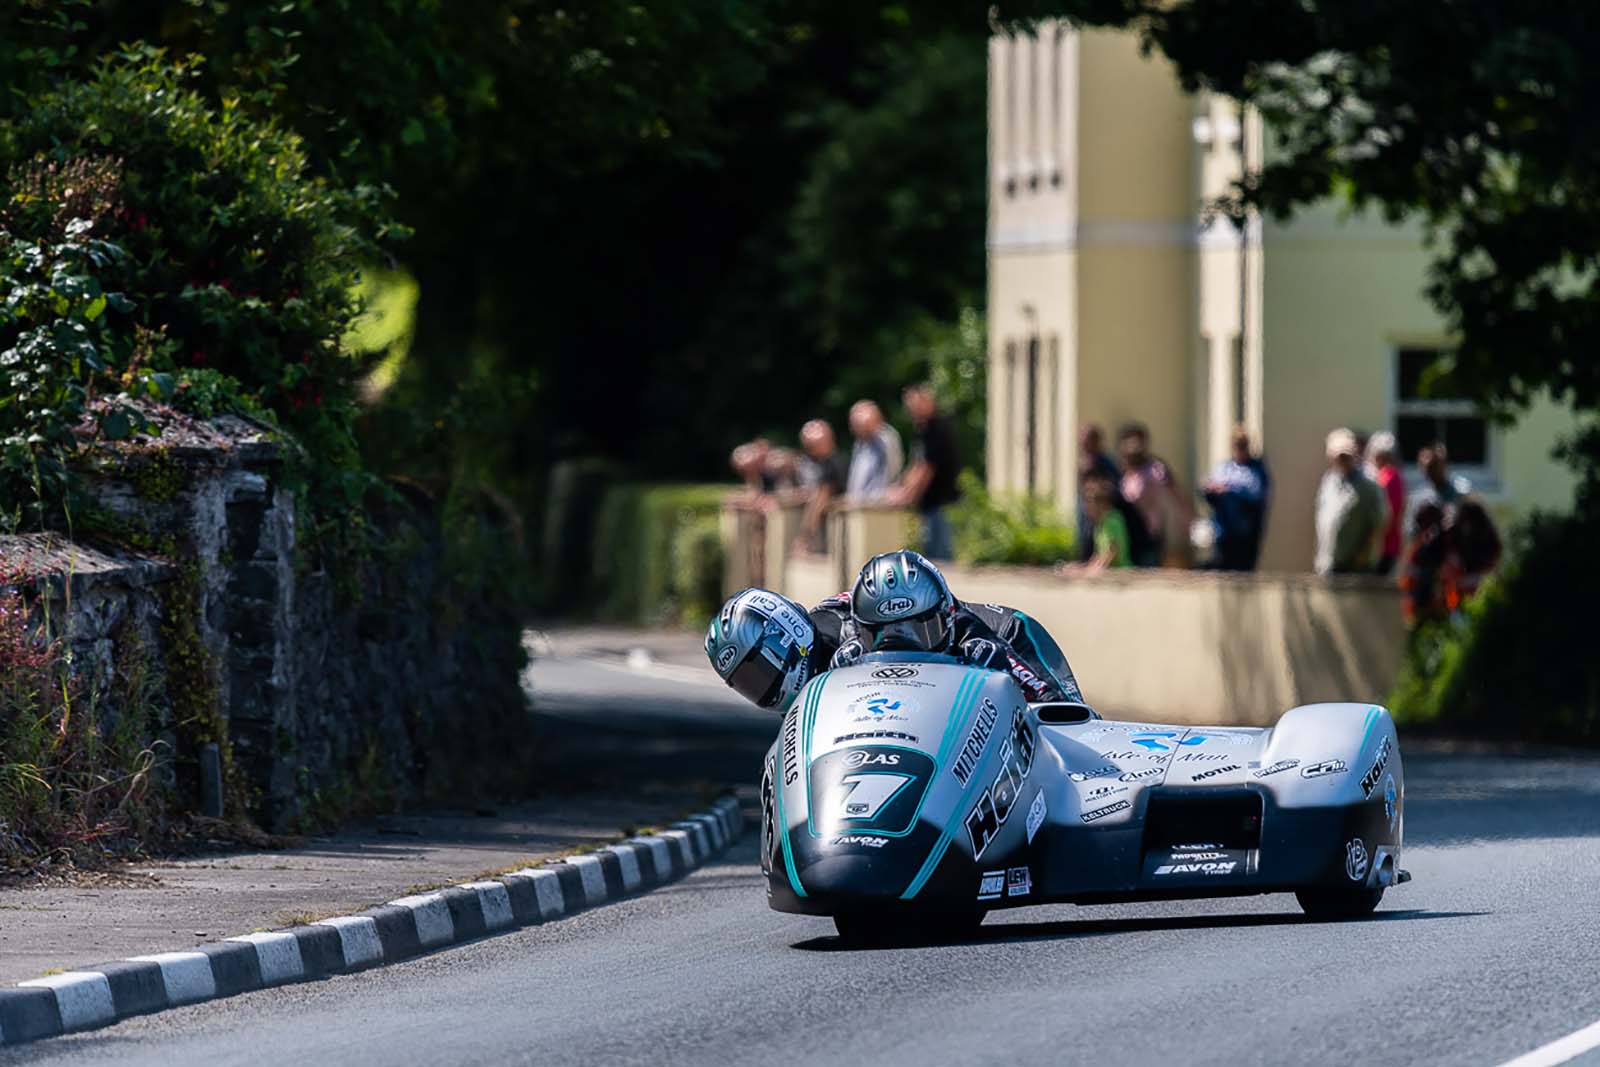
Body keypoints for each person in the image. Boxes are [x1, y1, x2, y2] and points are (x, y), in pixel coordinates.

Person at [705, 550, 1085, 711]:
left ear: (786, 639)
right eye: (747, 683)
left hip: (1005, 635)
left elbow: (937, 614)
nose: (763, 686)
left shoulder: (854, 625)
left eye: (759, 671)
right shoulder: (833, 649)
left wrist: (1040, 695)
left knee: (1063, 717)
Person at [840, 550, 1083, 703]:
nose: (900, 648)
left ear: (949, 616)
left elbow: (1067, 714)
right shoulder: (844, 647)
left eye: (922, 630)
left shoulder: (998, 634)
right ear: (858, 631)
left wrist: (1007, 679)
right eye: (879, 636)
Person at [885, 384, 962, 560]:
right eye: (910, 405)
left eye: (917, 404)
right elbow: (915, 465)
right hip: (929, 505)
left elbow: (926, 469)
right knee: (929, 555)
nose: (913, 409)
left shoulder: (937, 428)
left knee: (939, 558)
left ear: (929, 402)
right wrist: (900, 487)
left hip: (942, 503)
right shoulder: (922, 430)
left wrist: (907, 496)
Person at [1117, 422, 1193, 566]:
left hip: (1150, 531)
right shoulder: (1123, 471)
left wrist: (1187, 519)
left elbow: (1175, 492)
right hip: (1127, 531)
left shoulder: (1155, 468)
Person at [1314, 427, 1385, 575]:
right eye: (1338, 455)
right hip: (1328, 563)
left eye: (1346, 455)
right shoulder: (1329, 480)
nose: (1342, 459)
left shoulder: (1368, 483)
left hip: (1356, 566)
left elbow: (1379, 522)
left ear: (1354, 453)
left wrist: (1363, 556)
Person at [1200, 426, 1271, 571]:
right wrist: (1210, 489)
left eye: (1243, 445)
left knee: (1243, 571)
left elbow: (1257, 495)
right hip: (1224, 532)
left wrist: (1230, 491)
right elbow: (1209, 490)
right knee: (1222, 569)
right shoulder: (1223, 468)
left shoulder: (1256, 470)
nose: (1240, 450)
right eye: (1237, 445)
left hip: (1246, 533)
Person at [794, 419, 847, 552]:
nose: (810, 449)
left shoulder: (832, 463)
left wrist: (804, 536)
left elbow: (822, 497)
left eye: (812, 445)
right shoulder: (831, 461)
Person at [1062, 475, 1132, 574]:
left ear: (1103, 503)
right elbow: (1099, 554)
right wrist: (1083, 568)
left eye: (1089, 501)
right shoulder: (1099, 523)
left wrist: (1092, 571)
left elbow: (1112, 552)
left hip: (1121, 572)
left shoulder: (1112, 520)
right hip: (1110, 572)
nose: (1085, 507)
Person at [1405, 441, 1472, 540]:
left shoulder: (1460, 492)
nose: (1433, 471)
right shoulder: (1418, 497)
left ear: (1445, 465)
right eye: (1429, 467)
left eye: (1436, 465)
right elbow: (1411, 531)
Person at [1075, 424, 1121, 563]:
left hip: (1100, 511)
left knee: (1098, 541)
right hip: (1087, 511)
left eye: (1088, 440)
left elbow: (1114, 487)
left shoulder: (1105, 462)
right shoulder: (1086, 460)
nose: (1084, 443)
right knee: (1086, 538)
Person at [1365, 431, 1407, 576]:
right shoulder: (1394, 476)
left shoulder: (1386, 478)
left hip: (1382, 547)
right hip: (1390, 545)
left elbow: (1384, 517)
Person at [844, 400, 903, 500]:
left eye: (858, 422)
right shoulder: (859, 444)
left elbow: (893, 472)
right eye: (854, 423)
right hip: (860, 503)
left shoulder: (886, 439)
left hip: (880, 502)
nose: (854, 427)